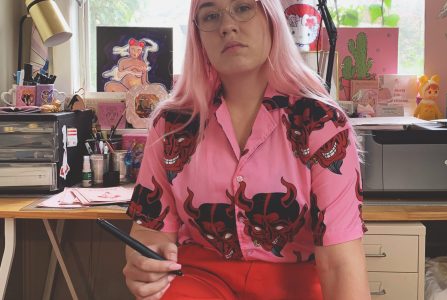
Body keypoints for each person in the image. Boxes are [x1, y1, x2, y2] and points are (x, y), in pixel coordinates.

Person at [123, 0, 370, 299]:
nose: (227, 26)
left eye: (242, 8)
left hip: (294, 282)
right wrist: (145, 261)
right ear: (198, 36)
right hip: (200, 278)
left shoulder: (322, 123)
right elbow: (151, 232)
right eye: (211, 15)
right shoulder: (171, 125)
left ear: (271, 19)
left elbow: (340, 263)